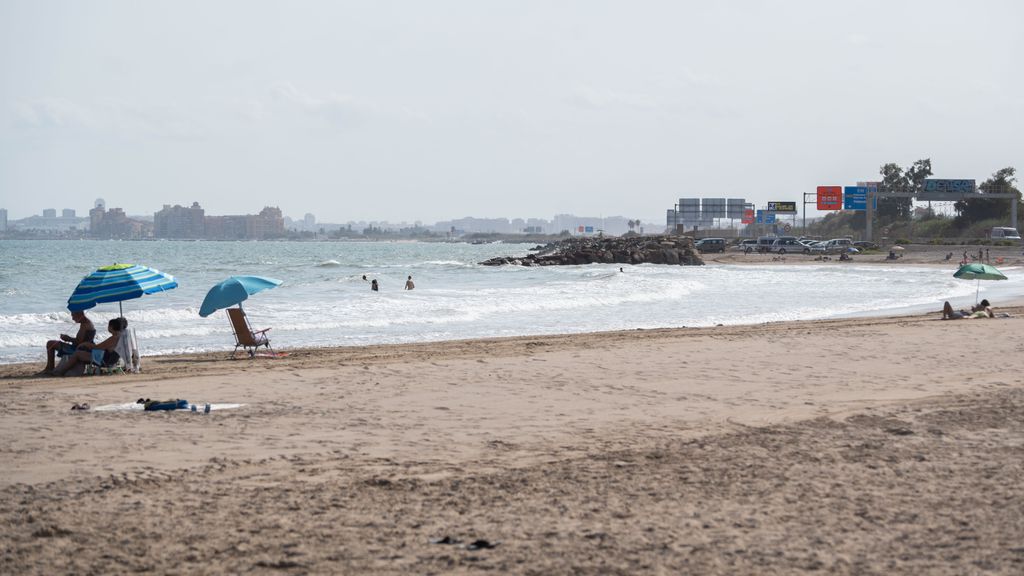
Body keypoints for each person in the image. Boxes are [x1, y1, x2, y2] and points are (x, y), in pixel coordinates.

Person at [53, 317, 126, 376]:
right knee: (82, 352)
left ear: (111, 327)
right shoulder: (120, 337)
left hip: (104, 360)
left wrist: (86, 344)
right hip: (109, 359)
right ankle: (72, 371)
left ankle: (61, 371)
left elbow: (97, 347)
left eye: (108, 326)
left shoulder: (114, 338)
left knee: (77, 354)